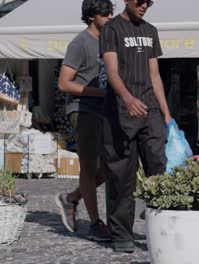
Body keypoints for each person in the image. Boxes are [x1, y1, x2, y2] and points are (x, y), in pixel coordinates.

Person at [100, 0, 172, 253]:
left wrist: (165, 114)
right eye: (140, 1)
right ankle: (121, 234)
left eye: (149, 2)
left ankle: (162, 228)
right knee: (122, 176)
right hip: (120, 111)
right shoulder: (111, 29)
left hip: (149, 109)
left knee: (158, 168)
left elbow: (155, 76)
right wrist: (128, 98)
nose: (145, 6)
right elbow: (111, 71)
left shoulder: (151, 31)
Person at [55, 0, 113, 241]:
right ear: (91, 16)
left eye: (112, 11)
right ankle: (95, 223)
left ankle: (71, 198)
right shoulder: (79, 43)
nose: (110, 16)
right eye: (105, 13)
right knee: (89, 167)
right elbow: (64, 83)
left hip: (107, 110)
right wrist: (99, 92)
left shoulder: (109, 41)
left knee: (113, 165)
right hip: (84, 109)